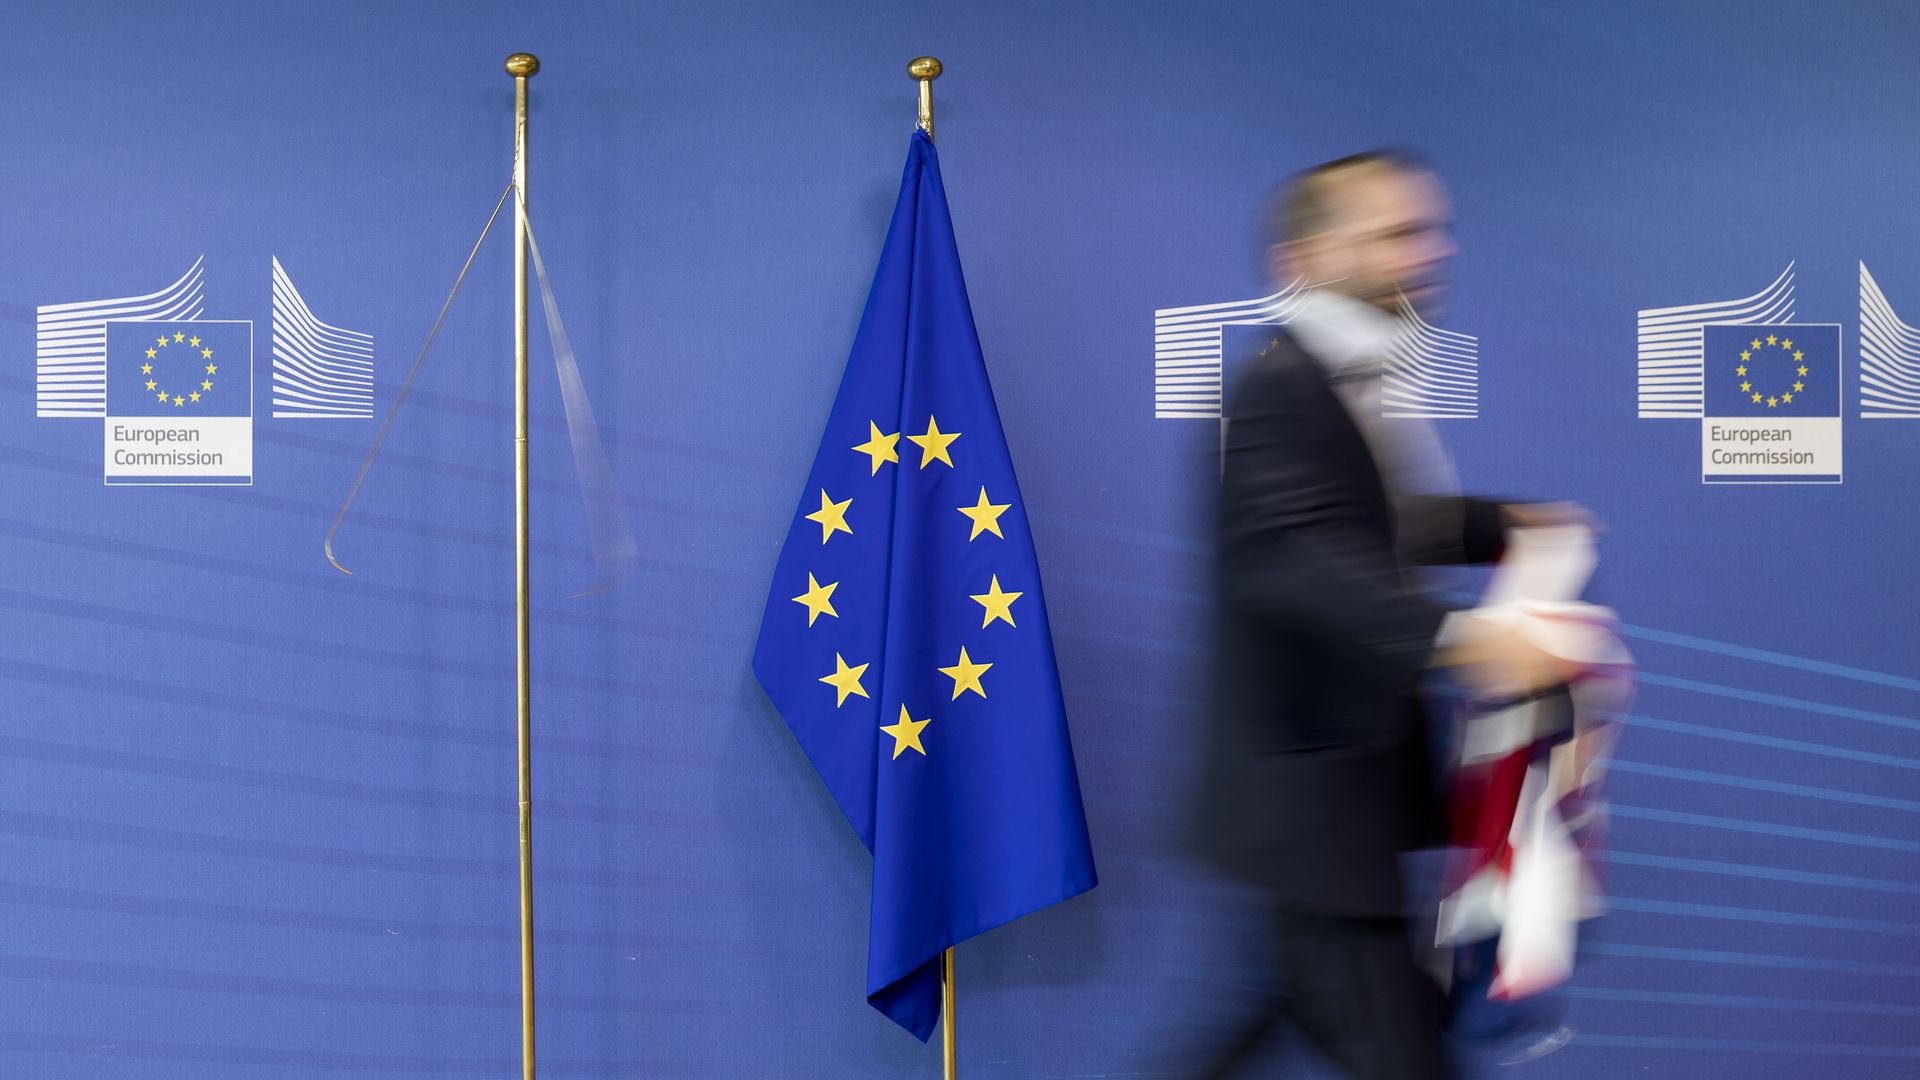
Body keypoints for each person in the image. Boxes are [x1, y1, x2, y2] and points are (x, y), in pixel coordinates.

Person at [1189, 150, 1582, 1080]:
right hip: (1315, 804)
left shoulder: (1345, 378)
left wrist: (1503, 523)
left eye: (1432, 229)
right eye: (1399, 234)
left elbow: (1374, 525)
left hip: (1331, 801)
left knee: (1288, 1009)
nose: (1430, 252)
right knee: (1400, 1055)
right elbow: (1289, 560)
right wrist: (1464, 641)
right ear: (1309, 257)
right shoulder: (1280, 387)